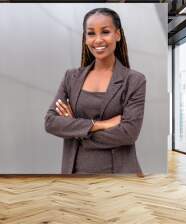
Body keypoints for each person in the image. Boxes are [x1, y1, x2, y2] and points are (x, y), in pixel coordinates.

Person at [44, 8, 146, 175]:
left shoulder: (134, 80)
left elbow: (128, 133)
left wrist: (75, 130)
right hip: (74, 173)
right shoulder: (71, 77)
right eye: (91, 34)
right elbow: (51, 122)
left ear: (117, 35)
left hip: (119, 175)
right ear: (85, 38)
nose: (98, 40)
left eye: (105, 32)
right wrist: (100, 125)